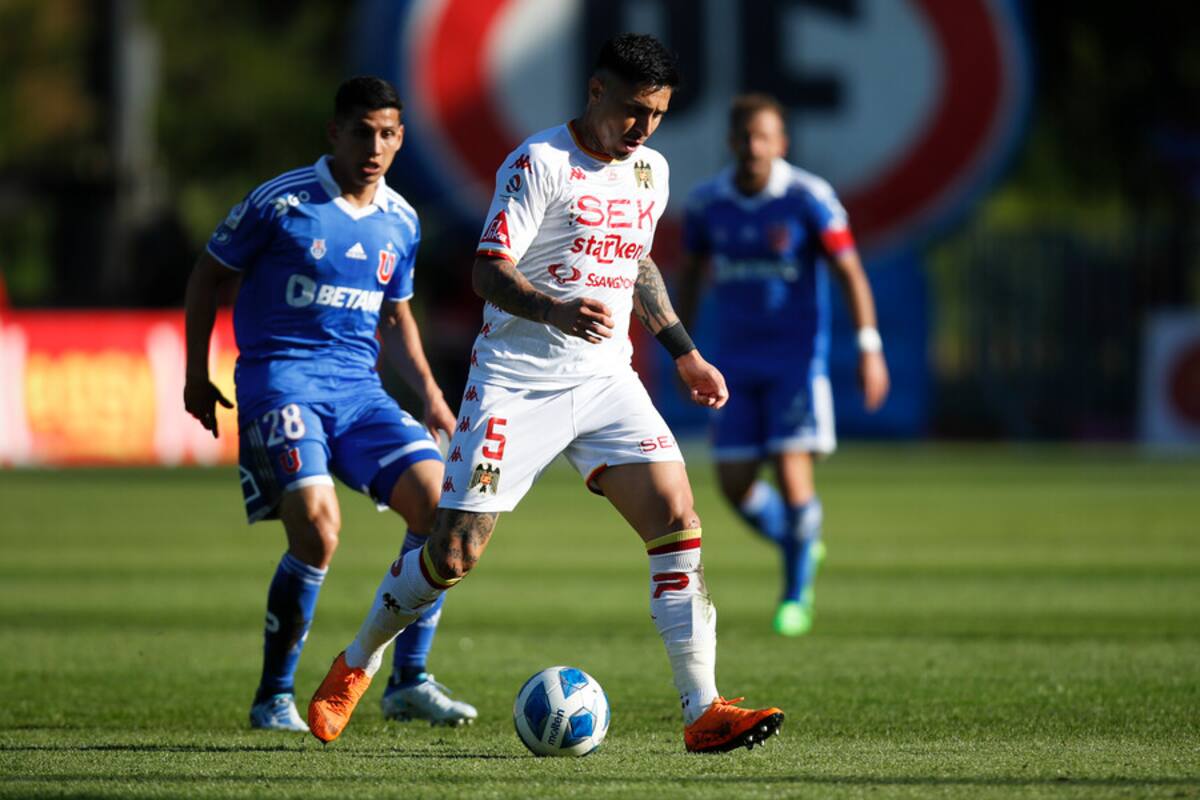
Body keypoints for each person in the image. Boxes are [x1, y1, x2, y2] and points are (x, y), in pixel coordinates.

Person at [307, 34, 785, 754]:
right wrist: (554, 310)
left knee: (677, 518)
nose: (645, 127)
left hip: (605, 379)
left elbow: (637, 264)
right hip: (516, 381)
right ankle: (357, 661)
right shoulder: (540, 163)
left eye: (658, 113)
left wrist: (685, 353)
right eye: (633, 109)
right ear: (596, 92)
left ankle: (702, 709)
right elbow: (487, 271)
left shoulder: (649, 171)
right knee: (454, 553)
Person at [183, 76, 476, 732]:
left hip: (360, 394)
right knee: (318, 531)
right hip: (281, 382)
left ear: (401, 138)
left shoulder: (402, 220)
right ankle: (273, 696)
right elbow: (207, 275)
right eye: (362, 132)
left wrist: (432, 396)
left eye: (388, 134)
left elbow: (396, 315)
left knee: (444, 513)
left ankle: (408, 681)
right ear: (334, 133)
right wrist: (195, 374)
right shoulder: (281, 202)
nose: (374, 147)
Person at [677, 93, 891, 637]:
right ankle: (801, 544)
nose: (754, 146)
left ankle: (795, 595)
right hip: (734, 364)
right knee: (734, 485)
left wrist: (869, 347)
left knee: (794, 476)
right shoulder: (707, 205)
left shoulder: (808, 197)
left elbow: (850, 272)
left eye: (764, 137)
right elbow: (690, 276)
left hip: (795, 362)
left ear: (781, 143)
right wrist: (681, 350)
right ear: (731, 141)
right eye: (746, 136)